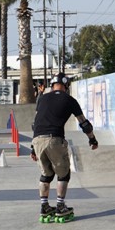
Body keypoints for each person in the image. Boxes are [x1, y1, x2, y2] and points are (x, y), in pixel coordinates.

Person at [31, 73, 99, 221]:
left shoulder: (42, 99)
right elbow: (84, 123)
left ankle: (44, 206)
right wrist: (92, 139)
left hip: (37, 140)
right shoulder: (69, 100)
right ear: (66, 86)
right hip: (54, 139)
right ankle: (60, 206)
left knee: (46, 175)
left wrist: (32, 147)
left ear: (52, 85)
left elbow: (35, 123)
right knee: (63, 174)